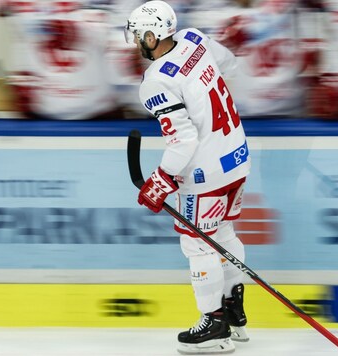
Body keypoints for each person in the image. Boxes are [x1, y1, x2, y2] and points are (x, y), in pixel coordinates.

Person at [125, 1, 251, 354]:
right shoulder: (193, 38)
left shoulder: (155, 81)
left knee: (197, 244)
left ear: (152, 36)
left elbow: (183, 140)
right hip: (237, 156)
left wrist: (162, 179)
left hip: (205, 172)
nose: (137, 43)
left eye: (139, 36)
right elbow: (228, 62)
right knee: (224, 233)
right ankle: (233, 312)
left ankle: (214, 325)